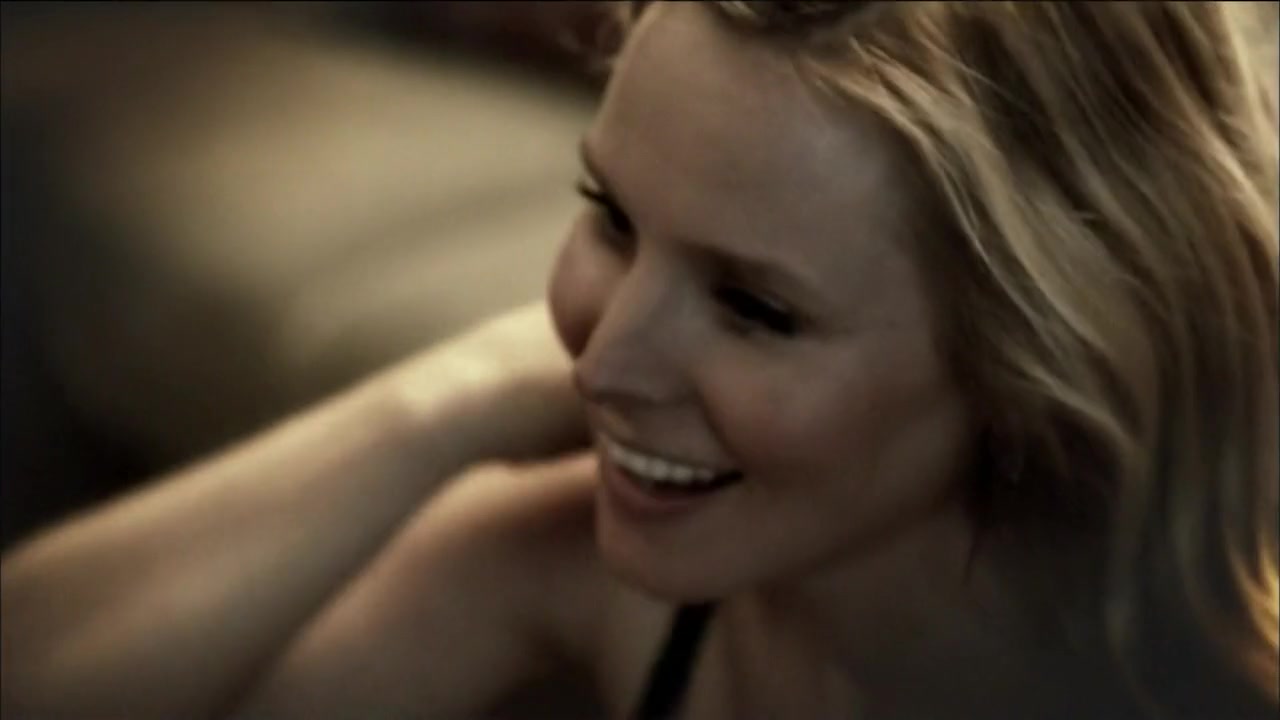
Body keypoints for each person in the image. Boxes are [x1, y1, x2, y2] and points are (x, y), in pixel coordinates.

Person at [2, 2, 1277, 718]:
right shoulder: (600, 572)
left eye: (755, 308)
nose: (601, 360)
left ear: (1042, 357)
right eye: (611, 217)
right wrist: (452, 396)